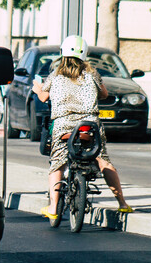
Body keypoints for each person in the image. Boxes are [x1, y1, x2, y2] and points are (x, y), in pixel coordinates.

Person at [32, 35, 132, 219]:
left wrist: (38, 89)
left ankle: (53, 209)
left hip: (63, 126)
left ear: (62, 52)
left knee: (58, 164)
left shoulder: (55, 75)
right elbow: (104, 94)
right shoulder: (92, 74)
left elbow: (44, 98)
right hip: (89, 125)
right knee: (103, 161)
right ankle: (123, 204)